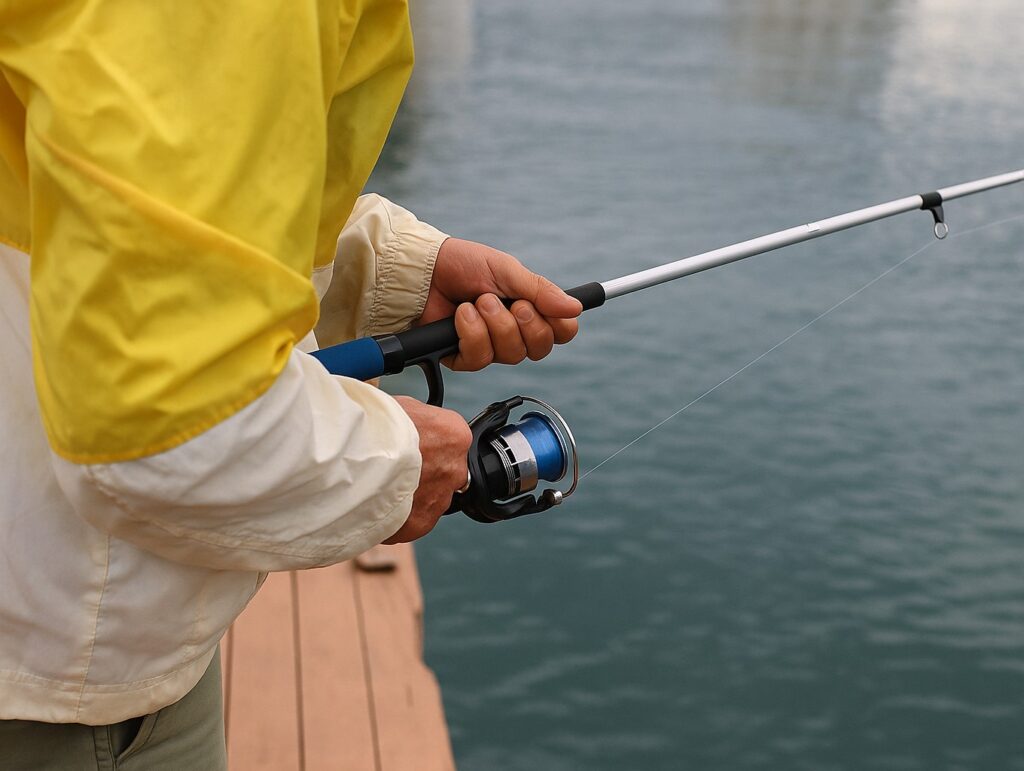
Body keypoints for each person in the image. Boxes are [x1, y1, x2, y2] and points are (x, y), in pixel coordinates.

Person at [0, 1, 581, 767]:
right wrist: (400, 462)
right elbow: (158, 428)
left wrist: (385, 273)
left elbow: (123, 191)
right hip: (54, 687)